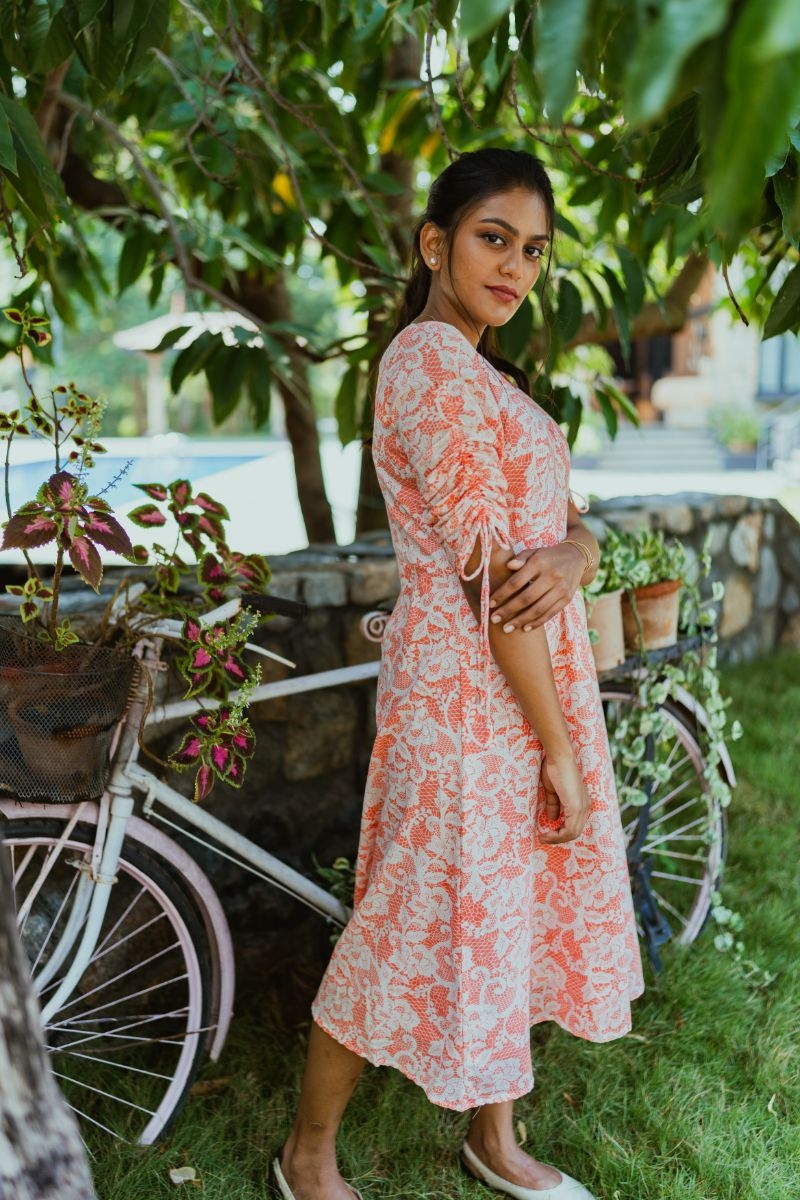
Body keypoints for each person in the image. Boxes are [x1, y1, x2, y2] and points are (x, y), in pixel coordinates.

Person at [272, 148, 644, 1200]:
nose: (515, 266)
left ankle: (493, 1134)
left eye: (532, 250)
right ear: (433, 242)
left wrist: (579, 554)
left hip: (519, 683)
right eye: (493, 238)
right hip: (467, 695)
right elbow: (485, 573)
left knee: (509, 901)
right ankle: (305, 1156)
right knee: (405, 915)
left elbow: (555, 529)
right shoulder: (428, 364)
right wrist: (562, 750)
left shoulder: (488, 375)